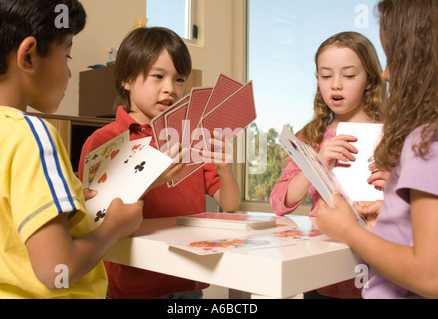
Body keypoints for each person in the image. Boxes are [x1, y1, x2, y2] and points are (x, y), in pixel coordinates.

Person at [0, 0, 144, 299]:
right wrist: (114, 227)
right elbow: (57, 268)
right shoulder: (32, 134)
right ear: (29, 55)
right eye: (67, 56)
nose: (70, 74)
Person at [78, 27, 241, 299]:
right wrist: (153, 179)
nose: (170, 88)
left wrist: (226, 171)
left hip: (188, 280)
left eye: (179, 79)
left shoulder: (191, 136)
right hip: (133, 285)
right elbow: (97, 217)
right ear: (127, 79)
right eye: (158, 76)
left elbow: (230, 203)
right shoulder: (104, 141)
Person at [317, 0, 438, 299]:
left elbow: (430, 275)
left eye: (392, 58)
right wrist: (387, 220)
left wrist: (349, 231)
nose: (386, 74)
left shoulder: (425, 140)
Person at [270, 31, 387, 299]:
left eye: (348, 75)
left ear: (369, 80)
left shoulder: (392, 135)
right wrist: (318, 162)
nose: (336, 85)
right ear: (317, 79)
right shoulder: (310, 137)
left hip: (375, 266)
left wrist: (392, 184)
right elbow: (279, 202)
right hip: (320, 268)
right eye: (326, 76)